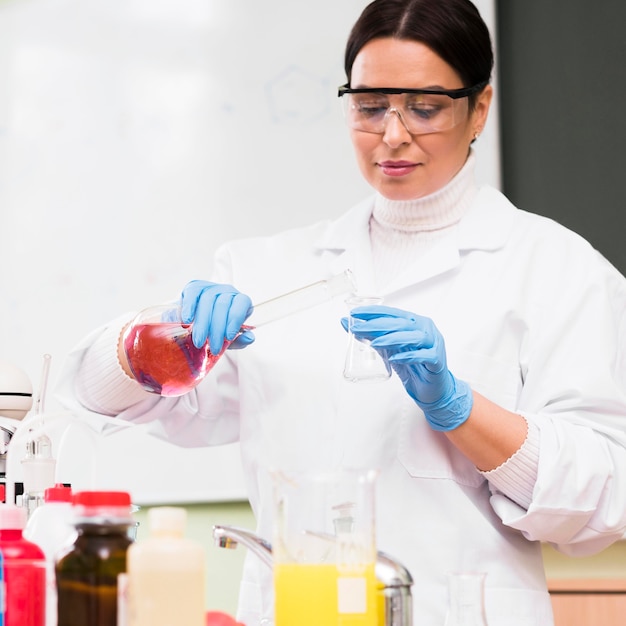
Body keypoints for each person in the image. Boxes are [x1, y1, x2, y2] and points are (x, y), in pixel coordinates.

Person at [57, 0, 626, 624]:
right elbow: (94, 393)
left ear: (478, 109)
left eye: (425, 108)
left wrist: (459, 408)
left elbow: (604, 501)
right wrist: (151, 339)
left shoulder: (559, 271)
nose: (392, 133)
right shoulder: (267, 268)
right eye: (370, 105)